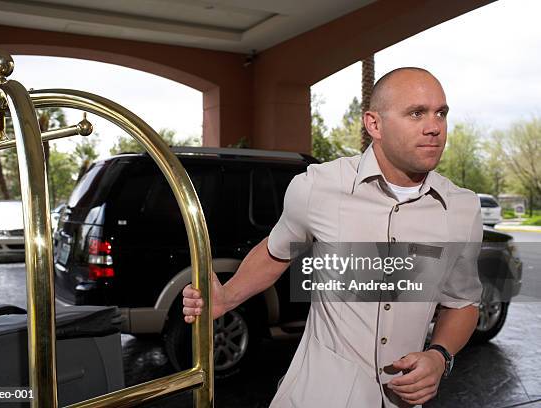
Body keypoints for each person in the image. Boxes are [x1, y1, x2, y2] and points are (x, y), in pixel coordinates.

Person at [182, 67, 482, 408]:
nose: (434, 127)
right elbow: (276, 251)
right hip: (314, 396)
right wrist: (227, 298)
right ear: (374, 125)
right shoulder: (317, 186)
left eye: (440, 113)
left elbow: (463, 302)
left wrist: (439, 356)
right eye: (416, 113)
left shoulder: (461, 209)